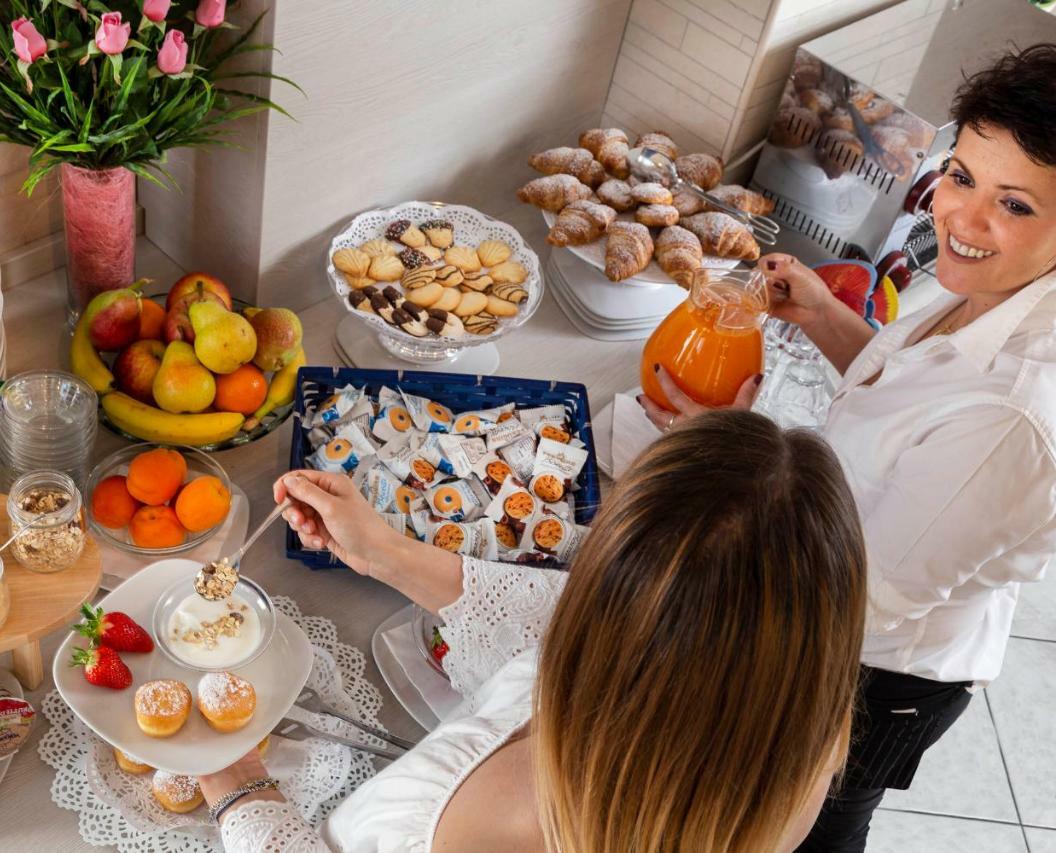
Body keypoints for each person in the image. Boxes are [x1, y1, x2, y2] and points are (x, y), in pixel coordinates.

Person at [639, 44, 1056, 852]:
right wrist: (831, 318)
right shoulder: (996, 287)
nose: (963, 221)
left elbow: (861, 600)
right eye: (963, 177)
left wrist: (727, 457)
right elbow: (913, 396)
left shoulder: (1014, 413)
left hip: (866, 673)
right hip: (856, 602)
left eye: (1017, 205)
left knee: (808, 827)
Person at [197, 411, 867, 852]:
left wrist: (236, 779)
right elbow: (551, 615)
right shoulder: (782, 729)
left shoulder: (515, 822)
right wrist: (386, 553)